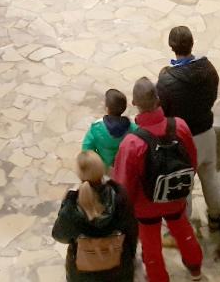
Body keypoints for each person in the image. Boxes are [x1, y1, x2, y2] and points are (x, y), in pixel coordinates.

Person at [113, 78, 203, 282]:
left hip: (146, 207)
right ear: (158, 100)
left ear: (134, 104)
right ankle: (195, 269)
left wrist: (128, 210)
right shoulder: (180, 126)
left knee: (151, 246)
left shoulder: (132, 143)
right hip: (176, 194)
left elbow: (125, 185)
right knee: (183, 231)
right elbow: (192, 160)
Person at [156, 26, 220, 230]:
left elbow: (163, 113)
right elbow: (213, 96)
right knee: (210, 176)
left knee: (184, 184)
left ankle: (184, 227)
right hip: (207, 131)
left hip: (183, 140)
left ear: (171, 47)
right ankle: (216, 217)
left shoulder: (166, 81)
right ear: (192, 43)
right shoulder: (209, 69)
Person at [52, 151, 138, 281]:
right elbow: (132, 231)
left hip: (83, 274)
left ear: (79, 174)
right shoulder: (121, 197)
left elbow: (60, 236)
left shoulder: (71, 207)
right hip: (118, 269)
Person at [82, 89, 137, 171]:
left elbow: (86, 148)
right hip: (124, 168)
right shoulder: (133, 128)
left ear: (107, 108)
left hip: (104, 168)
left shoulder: (96, 128)